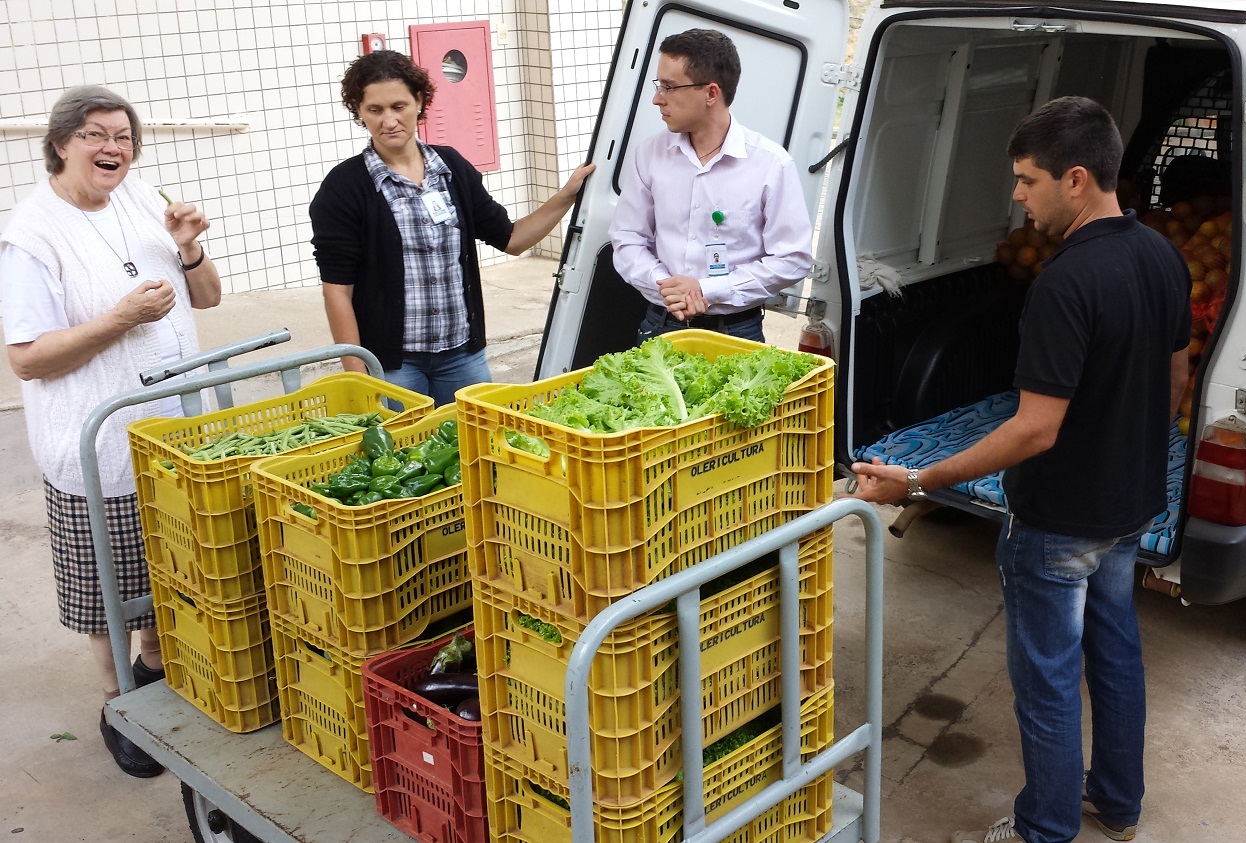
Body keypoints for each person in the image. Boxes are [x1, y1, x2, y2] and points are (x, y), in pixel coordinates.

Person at [851, 97, 1191, 843]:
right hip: (1130, 506)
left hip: (1058, 520)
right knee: (1115, 655)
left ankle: (1044, 829)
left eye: (1027, 179)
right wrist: (1126, 452)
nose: (1017, 195)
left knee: (1047, 681)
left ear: (1076, 179)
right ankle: (1118, 804)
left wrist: (916, 481)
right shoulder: (1160, 254)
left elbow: (1035, 428)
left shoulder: (1065, 282)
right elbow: (1175, 378)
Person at [0, 85, 223, 778]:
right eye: (95, 134)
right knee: (106, 585)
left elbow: (209, 297)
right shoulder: (32, 234)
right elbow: (28, 358)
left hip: (172, 434)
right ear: (60, 143)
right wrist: (121, 320)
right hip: (96, 444)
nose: (113, 148)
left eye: (124, 136)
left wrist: (188, 250)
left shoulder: (141, 197)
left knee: (166, 565)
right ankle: (116, 700)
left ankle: (153, 665)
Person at [311, 50, 595, 405]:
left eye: (399, 106)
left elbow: (512, 239)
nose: (389, 120)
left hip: (462, 357)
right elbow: (337, 291)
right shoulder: (344, 187)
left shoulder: (452, 169)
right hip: (393, 365)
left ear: (419, 101)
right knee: (406, 442)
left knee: (478, 438)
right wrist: (357, 374)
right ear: (359, 111)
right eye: (375, 110)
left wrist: (567, 196)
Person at [610, 28, 813, 343]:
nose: (657, 98)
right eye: (658, 85)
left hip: (736, 330)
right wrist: (667, 286)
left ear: (711, 93)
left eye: (669, 87)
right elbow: (627, 239)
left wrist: (709, 289)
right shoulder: (650, 154)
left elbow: (792, 258)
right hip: (660, 322)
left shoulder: (770, 164)